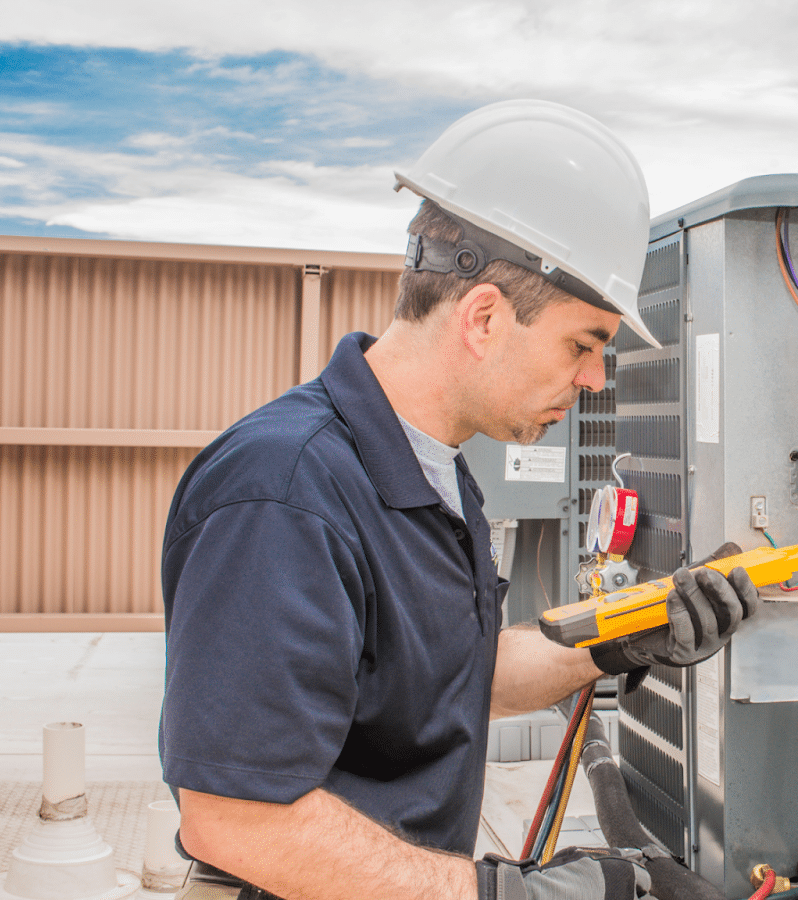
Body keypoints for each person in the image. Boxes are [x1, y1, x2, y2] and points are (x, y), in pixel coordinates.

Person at [160, 100, 759, 900]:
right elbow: (236, 818)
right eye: (583, 345)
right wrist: (512, 894)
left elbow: (450, 682)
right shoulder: (285, 493)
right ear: (483, 318)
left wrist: (628, 635)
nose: (592, 380)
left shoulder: (432, 471)